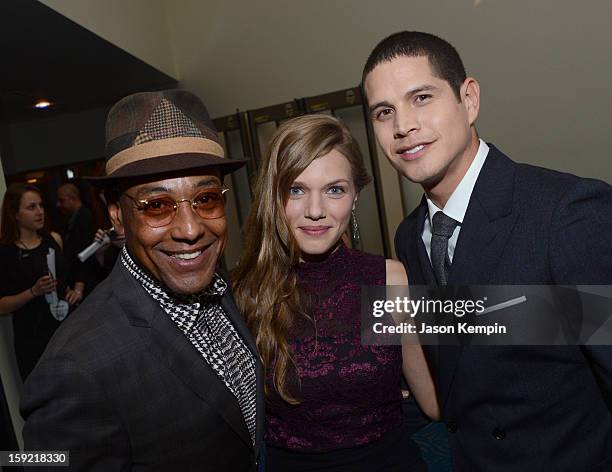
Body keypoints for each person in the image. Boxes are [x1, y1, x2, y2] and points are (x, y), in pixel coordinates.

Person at [362, 31, 612, 471]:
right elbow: (456, 371)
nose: (403, 126)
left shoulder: (565, 213)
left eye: (421, 98)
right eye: (385, 112)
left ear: (469, 99)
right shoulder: (409, 237)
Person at [21, 90, 263, 471]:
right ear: (117, 216)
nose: (189, 229)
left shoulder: (220, 285)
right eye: (157, 206)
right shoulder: (74, 368)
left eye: (206, 199)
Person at [233, 114, 437, 472]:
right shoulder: (246, 292)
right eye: (296, 190)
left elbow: (434, 402)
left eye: (334, 190)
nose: (315, 211)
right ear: (273, 196)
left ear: (355, 196)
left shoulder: (384, 279)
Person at [0, 183, 77, 381]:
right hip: (34, 338)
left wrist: (76, 290)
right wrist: (33, 291)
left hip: (67, 330)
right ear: (15, 214)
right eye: (31, 207)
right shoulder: (6, 254)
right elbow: (2, 306)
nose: (39, 212)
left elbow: (72, 275)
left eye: (41, 206)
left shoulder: (54, 239)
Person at [55, 182, 94, 300]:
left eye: (62, 200)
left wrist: (79, 285)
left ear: (73, 199)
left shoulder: (85, 218)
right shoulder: (69, 219)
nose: (58, 204)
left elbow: (86, 252)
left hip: (86, 282)